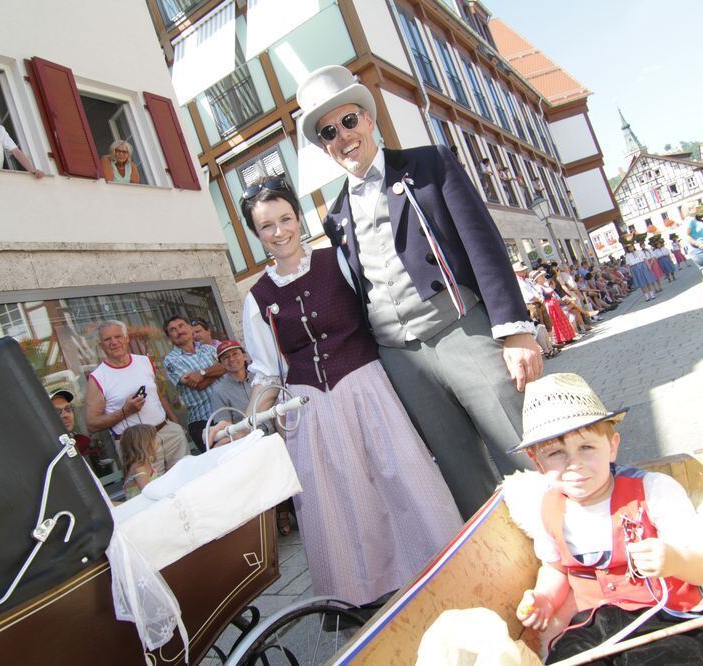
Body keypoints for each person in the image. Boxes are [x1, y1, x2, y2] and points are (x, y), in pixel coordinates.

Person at [300, 65, 541, 518]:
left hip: (461, 330)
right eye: (328, 132)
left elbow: (483, 244)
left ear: (369, 120)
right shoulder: (334, 217)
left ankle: (576, 555)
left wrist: (515, 330)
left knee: (521, 447)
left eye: (349, 121)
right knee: (461, 477)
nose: (343, 136)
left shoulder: (429, 164)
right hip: (401, 357)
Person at [240, 176, 463, 606]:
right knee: (342, 502)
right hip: (312, 409)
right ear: (256, 235)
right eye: (266, 226)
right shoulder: (258, 298)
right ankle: (367, 594)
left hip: (367, 385)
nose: (279, 231)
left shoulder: (336, 260)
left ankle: (440, 563)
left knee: (403, 476)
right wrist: (248, 421)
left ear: (298, 218)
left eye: (285, 218)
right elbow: (267, 373)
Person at [508, 373, 703, 663]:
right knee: (567, 659)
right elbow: (557, 568)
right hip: (591, 625)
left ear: (612, 446)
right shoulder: (549, 507)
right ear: (537, 463)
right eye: (556, 453)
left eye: (586, 447)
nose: (574, 464)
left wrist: (676, 560)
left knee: (679, 658)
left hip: (665, 617)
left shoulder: (651, 490)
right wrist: (545, 599)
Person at [206, 339, 295, 535]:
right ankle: (281, 515)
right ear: (220, 363)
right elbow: (224, 422)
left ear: (245, 356)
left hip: (276, 431)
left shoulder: (261, 377)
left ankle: (293, 509)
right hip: (249, 442)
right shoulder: (219, 390)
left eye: (235, 354)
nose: (232, 359)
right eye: (226, 357)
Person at [85, 320, 188, 475]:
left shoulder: (145, 361)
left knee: (188, 480)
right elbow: (92, 424)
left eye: (118, 336)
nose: (114, 342)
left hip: (168, 434)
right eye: (107, 339)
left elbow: (158, 394)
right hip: (137, 446)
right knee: (154, 493)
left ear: (127, 339)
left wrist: (174, 422)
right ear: (101, 345)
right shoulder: (98, 378)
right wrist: (125, 411)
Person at [162, 315, 226, 446]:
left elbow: (226, 365)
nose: (179, 331)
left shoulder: (208, 348)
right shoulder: (171, 360)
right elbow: (198, 385)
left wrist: (202, 372)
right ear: (169, 337)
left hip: (227, 413)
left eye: (181, 326)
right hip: (203, 421)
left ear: (190, 328)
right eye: (173, 330)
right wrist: (219, 370)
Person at [513, 263, 560, 359]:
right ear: (516, 272)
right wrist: (539, 298)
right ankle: (546, 351)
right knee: (539, 328)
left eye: (524, 269)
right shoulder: (519, 282)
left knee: (544, 326)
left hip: (538, 303)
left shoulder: (526, 280)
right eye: (521, 270)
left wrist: (540, 298)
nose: (524, 271)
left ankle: (550, 347)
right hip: (532, 305)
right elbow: (528, 296)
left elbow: (536, 290)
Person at [119, 424, 159, 499]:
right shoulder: (139, 468)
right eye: (154, 439)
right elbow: (148, 493)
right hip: (143, 507)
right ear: (145, 444)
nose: (157, 441)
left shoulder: (148, 461)